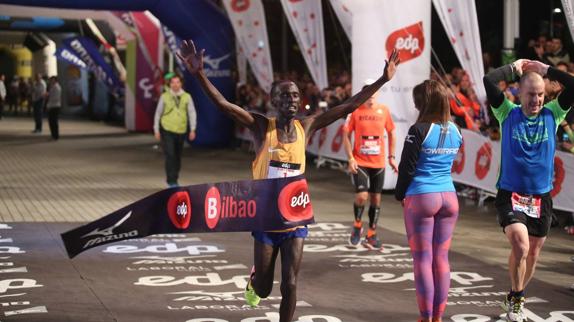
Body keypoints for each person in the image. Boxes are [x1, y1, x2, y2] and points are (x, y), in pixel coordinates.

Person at [177, 39, 400, 322]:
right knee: (264, 288)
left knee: (291, 283)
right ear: (273, 102)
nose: (292, 101)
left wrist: (383, 78)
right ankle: (255, 278)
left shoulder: (305, 125)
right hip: (266, 219)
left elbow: (347, 106)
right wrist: (199, 74)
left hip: (295, 216)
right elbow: (224, 105)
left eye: (295, 96)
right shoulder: (261, 126)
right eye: (285, 96)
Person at [483, 59, 573, 322]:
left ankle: (514, 293)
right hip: (510, 194)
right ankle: (518, 301)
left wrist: (547, 71)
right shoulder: (507, 112)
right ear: (518, 94)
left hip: (541, 198)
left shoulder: (553, 114)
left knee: (532, 253)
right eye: (531, 94)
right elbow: (489, 80)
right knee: (520, 245)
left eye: (540, 95)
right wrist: (514, 68)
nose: (536, 100)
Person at [394, 80, 463, 322]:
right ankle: (438, 317)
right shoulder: (456, 130)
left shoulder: (418, 130)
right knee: (441, 259)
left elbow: (406, 168)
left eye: (416, 100)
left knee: (423, 260)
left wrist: (400, 194)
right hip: (449, 197)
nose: (414, 104)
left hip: (422, 197)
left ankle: (425, 318)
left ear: (424, 102)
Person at [343, 80, 398, 249]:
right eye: (368, 95)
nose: (371, 98)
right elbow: (345, 134)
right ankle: (357, 225)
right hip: (360, 161)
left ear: (378, 94)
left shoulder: (384, 110)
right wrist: (350, 158)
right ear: (363, 96)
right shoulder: (355, 111)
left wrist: (391, 157)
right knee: (362, 196)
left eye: (374, 94)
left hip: (378, 162)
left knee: (376, 199)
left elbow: (392, 132)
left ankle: (372, 234)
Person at [153, 74, 197, 188]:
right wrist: (156, 130)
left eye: (177, 82)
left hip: (181, 130)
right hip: (167, 129)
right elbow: (158, 113)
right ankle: (171, 180)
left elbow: (192, 113)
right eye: (173, 82)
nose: (175, 85)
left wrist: (192, 129)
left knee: (177, 156)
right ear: (170, 84)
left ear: (181, 84)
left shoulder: (187, 96)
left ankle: (175, 178)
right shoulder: (165, 96)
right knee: (170, 154)